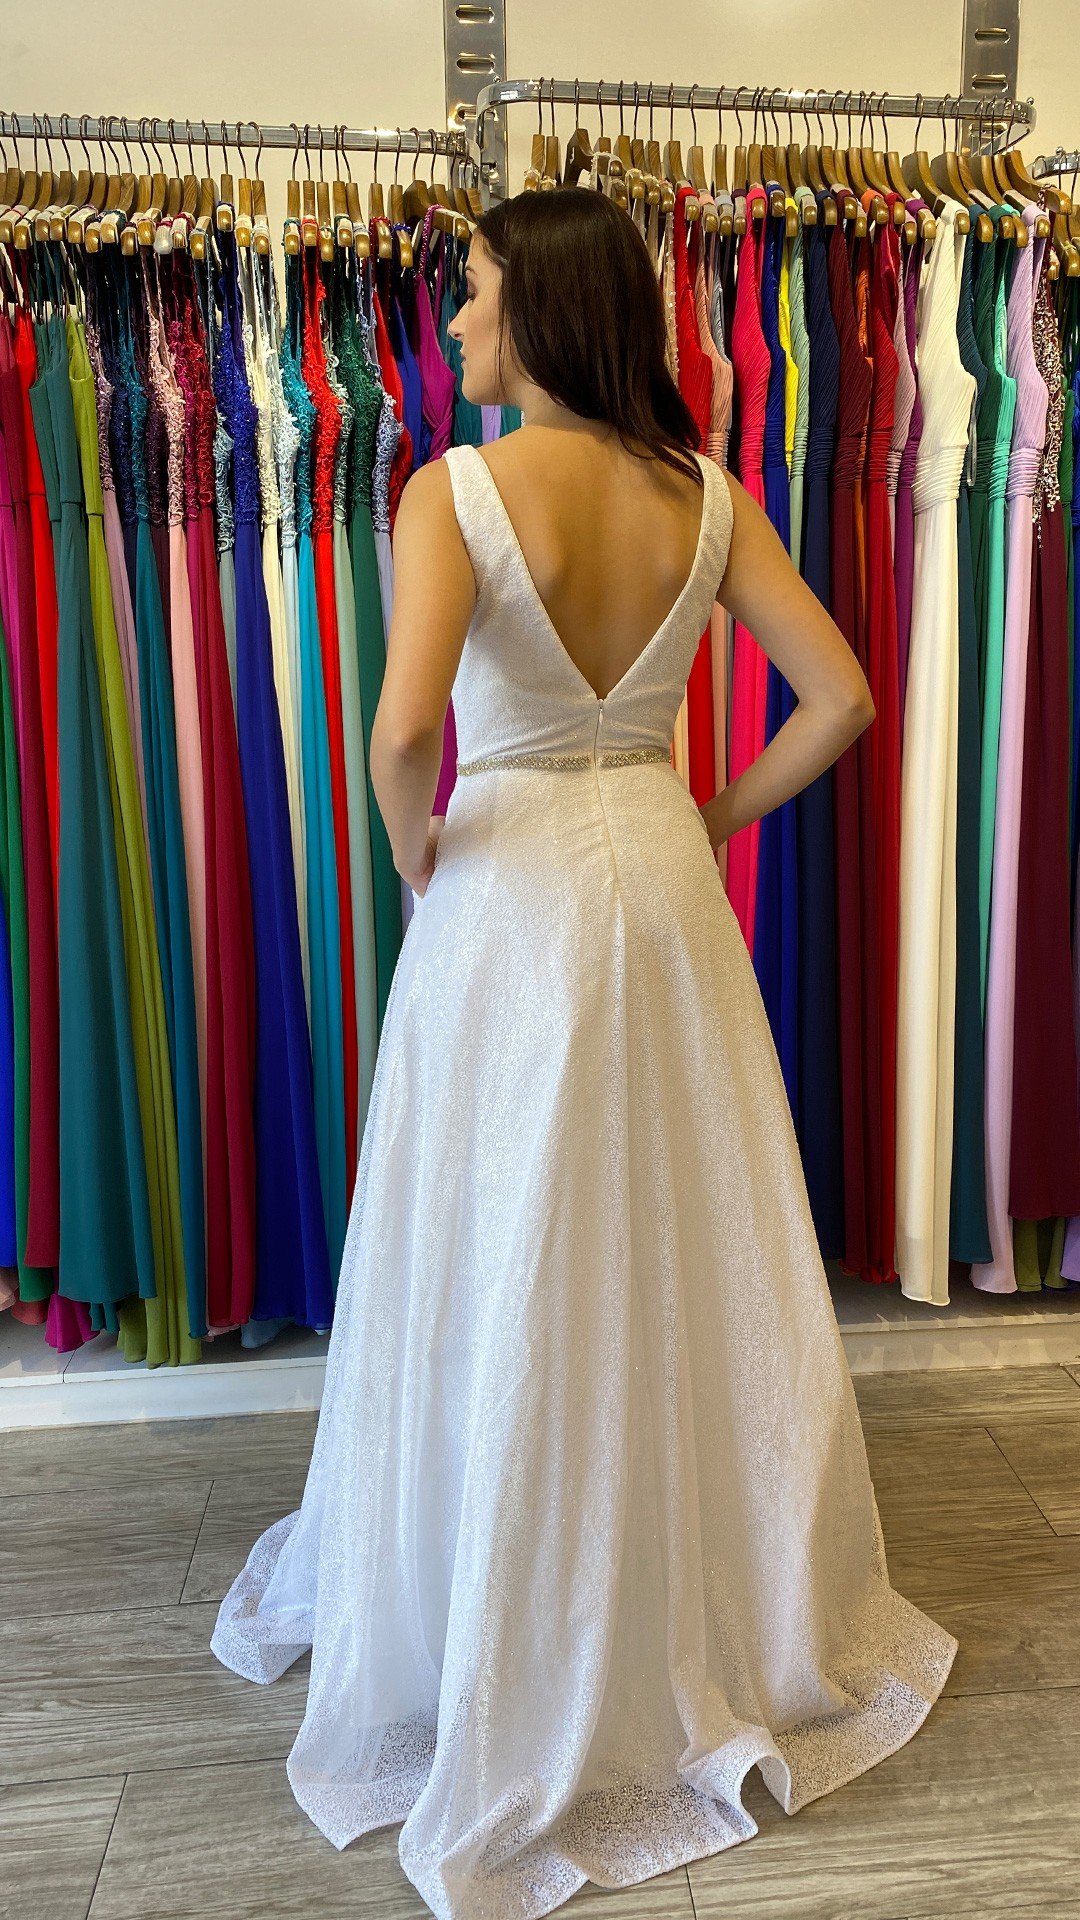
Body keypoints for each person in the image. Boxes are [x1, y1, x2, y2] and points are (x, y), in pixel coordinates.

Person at [211, 188, 958, 1920]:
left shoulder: (454, 492)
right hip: (664, 887)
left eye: (474, 294)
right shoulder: (706, 496)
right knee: (676, 1244)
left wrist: (419, 854)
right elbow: (844, 696)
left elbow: (405, 731)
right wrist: (714, 811)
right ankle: (691, 1594)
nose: (455, 325)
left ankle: (506, 1607)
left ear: (542, 308)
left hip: (512, 897)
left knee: (505, 1246)